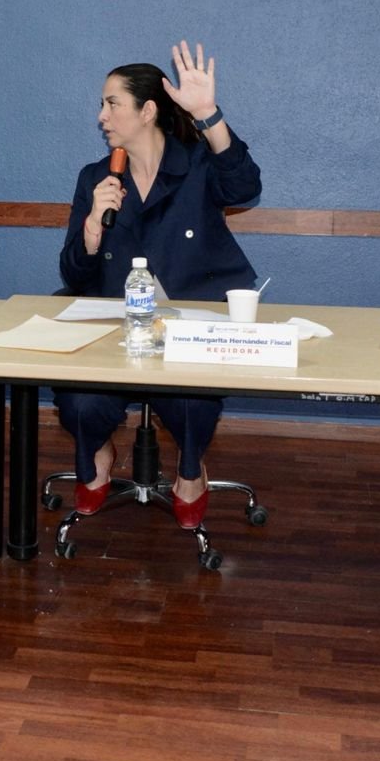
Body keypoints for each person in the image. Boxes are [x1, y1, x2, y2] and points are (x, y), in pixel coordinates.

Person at [55, 41, 262, 530]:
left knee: (192, 402)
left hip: (190, 331)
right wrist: (91, 229)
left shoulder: (197, 165)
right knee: (80, 401)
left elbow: (245, 187)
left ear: (147, 111)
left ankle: (190, 471)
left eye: (112, 103)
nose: (102, 115)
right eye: (102, 104)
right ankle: (97, 454)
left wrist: (208, 114)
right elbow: (74, 275)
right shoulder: (95, 178)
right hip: (116, 334)